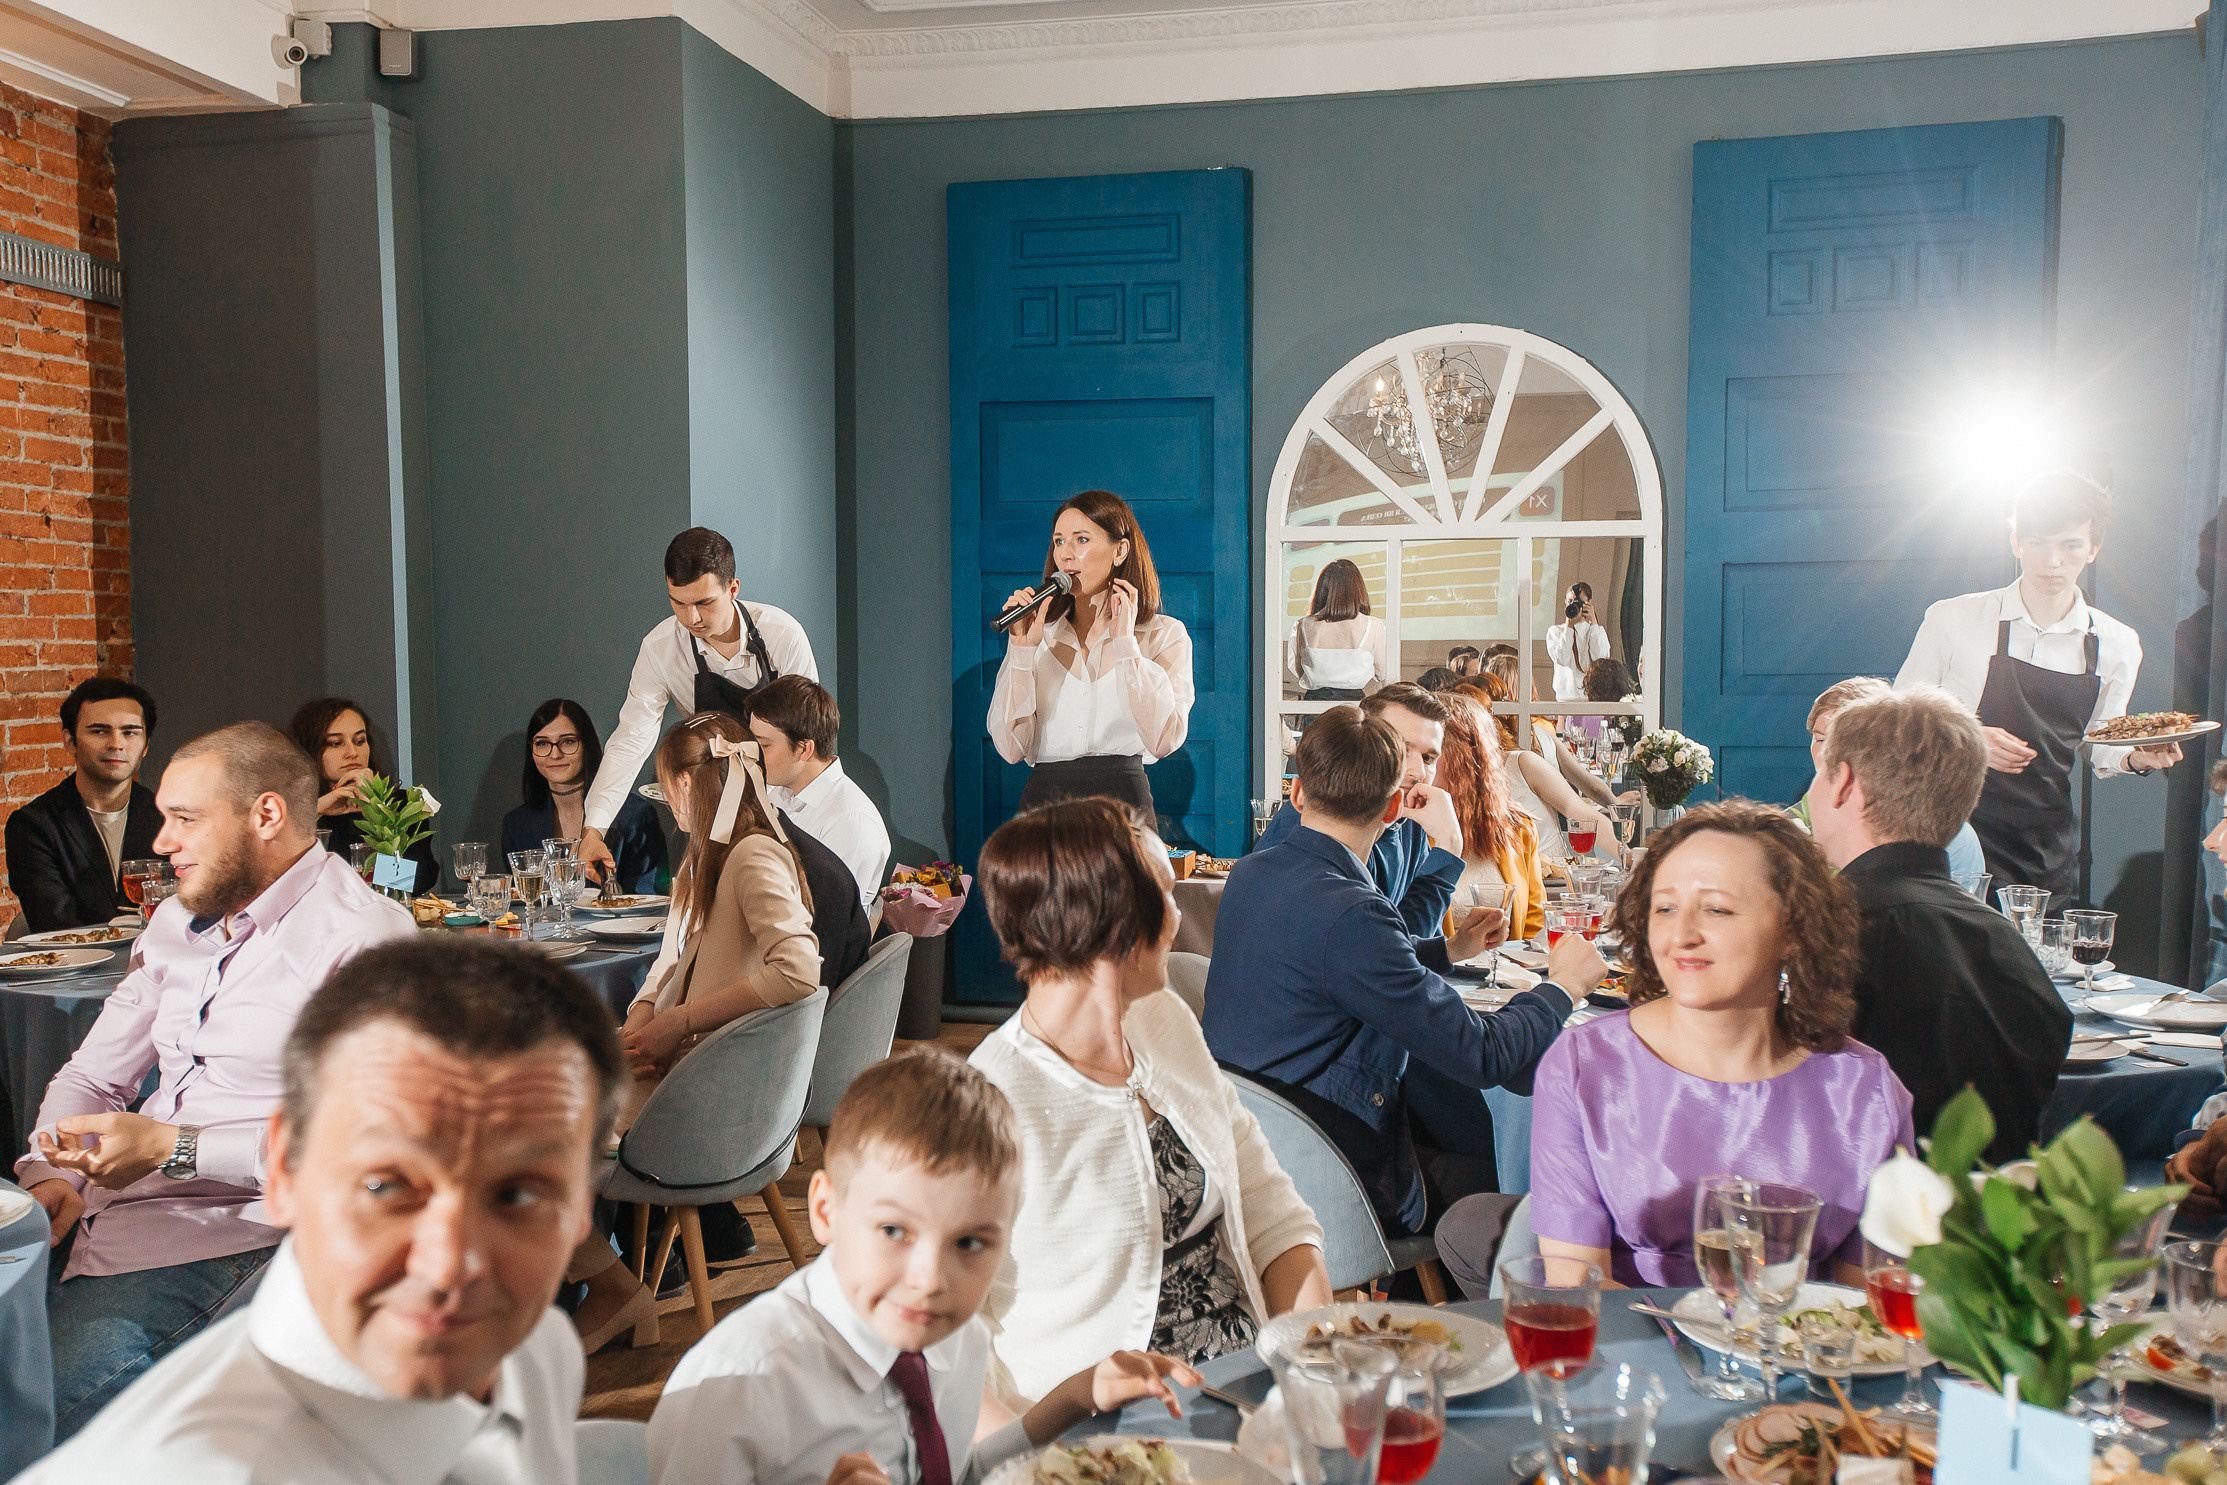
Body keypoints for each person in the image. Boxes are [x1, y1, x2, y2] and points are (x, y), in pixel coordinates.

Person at [17, 938, 620, 1479]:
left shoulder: (539, 1356)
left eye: (518, 1194)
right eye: (385, 1187)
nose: (448, 1266)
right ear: (282, 1169)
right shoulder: (195, 1468)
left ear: (579, 1212)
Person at [14, 722, 416, 1437]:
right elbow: (93, 1075)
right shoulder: (175, 919)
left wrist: (173, 1146)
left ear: (266, 815)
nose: (162, 841)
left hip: (237, 1237)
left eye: (184, 820)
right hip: (107, 1219)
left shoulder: (363, 936)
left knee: (28, 1428)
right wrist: (52, 1175)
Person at [648, 1049, 1204, 1485]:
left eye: (969, 1243)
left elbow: (956, 1474)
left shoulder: (952, 1343)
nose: (931, 1278)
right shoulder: (737, 1388)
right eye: (894, 1231)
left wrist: (1076, 1398)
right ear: (826, 1210)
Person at [970, 799, 1332, 1411]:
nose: (1176, 917)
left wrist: (1318, 1364)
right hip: (1103, 1432)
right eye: (1167, 894)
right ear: (1113, 925)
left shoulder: (1166, 1023)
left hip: (1252, 1384)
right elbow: (949, 1338)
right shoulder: (988, 1105)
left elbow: (1271, 1206)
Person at [1203, 706, 1594, 1236]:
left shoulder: (1250, 874)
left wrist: (1448, 949)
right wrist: (1561, 988)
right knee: (1534, 1197)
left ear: (1295, 794)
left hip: (1250, 1152)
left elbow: (1340, 966)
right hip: (1333, 1178)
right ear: (1393, 808)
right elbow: (1482, 1055)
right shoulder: (1352, 910)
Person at [1519, 801, 1913, 1288]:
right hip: (1635, 1351)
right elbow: (1576, 1283)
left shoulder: (1865, 1091)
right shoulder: (1585, 1067)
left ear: (1793, 929)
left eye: (1717, 910)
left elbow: (1868, 1304)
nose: (1681, 935)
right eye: (1664, 908)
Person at [567, 714, 823, 1348]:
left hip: (708, 1103)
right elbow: (668, 964)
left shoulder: (752, 856)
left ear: (686, 784)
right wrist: (641, 1023)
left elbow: (799, 969)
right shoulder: (708, 859)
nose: (667, 805)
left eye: (665, 789)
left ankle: (603, 1288)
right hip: (686, 1076)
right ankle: (612, 1281)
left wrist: (678, 1023)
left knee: (527, 1133)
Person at [1805, 688, 2071, 1162]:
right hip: (1991, 1224)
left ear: (1843, 782)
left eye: (1819, 773)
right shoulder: (2008, 942)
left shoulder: (1827, 930)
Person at [1896, 471, 2183, 899]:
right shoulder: (1955, 619)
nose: (2052, 562)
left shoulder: (2116, 643)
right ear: (2016, 542)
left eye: (2069, 546)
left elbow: (2099, 744)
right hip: (1949, 832)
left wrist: (2139, 757)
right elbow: (1893, 722)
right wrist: (1966, 738)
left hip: (2044, 846)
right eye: (2037, 543)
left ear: (2093, 549)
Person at [578, 526, 819, 884]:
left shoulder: (781, 634)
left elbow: (807, 738)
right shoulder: (661, 648)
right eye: (678, 602)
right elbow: (631, 739)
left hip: (789, 806)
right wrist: (593, 829)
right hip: (714, 807)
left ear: (733, 588)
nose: (691, 618)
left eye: (703, 603)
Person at [990, 489, 1194, 817]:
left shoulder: (1163, 635)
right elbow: (1013, 750)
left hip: (1123, 809)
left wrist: (1126, 646)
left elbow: (1163, 740)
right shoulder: (1037, 637)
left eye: (1081, 540)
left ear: (1120, 550)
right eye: (1059, 541)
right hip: (1045, 809)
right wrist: (1021, 651)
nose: (1066, 554)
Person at [1256, 683, 1466, 941]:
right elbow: (1388, 957)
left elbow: (1410, 946)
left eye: (1428, 758)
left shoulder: (1412, 821)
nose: (1418, 772)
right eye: (1400, 749)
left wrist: (1456, 947)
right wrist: (1448, 850)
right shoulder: (1315, 823)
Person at [1789, 678, 1985, 884]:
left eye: (1844, 742)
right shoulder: (1785, 829)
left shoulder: (1951, 836)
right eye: (1820, 739)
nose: (1827, 754)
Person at [5, 676, 161, 933]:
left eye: (129, 732)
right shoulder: (33, 825)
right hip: (82, 970)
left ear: (145, 746)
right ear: (69, 741)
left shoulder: (168, 818)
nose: (116, 744)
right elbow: (57, 926)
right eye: (99, 731)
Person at [750, 675, 892, 914]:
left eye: (764, 745)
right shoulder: (774, 793)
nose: (754, 753)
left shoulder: (850, 823)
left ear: (805, 749)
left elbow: (824, 918)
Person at [502, 697, 667, 893]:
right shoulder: (516, 824)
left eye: (568, 741)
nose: (555, 754)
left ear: (587, 744)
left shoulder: (635, 815)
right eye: (542, 743)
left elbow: (650, 899)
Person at [286, 696, 439, 894]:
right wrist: (315, 810)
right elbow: (278, 879)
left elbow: (417, 882)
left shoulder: (401, 804)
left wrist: (376, 809)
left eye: (359, 741)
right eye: (335, 743)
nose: (352, 752)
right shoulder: (290, 812)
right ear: (309, 750)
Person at [1468, 675, 1618, 873]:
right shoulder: (1457, 775)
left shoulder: (1523, 761)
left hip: (1550, 875)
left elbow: (1579, 810)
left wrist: (1624, 853)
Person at [1438, 693, 1547, 941]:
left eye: (1430, 755)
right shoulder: (1408, 831)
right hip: (1437, 974)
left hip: (1507, 974)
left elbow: (1534, 927)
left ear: (1467, 758)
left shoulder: (1518, 828)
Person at [1284, 557, 1388, 702]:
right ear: (1358, 589)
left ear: (1322, 589)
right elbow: (1381, 673)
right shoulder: (1374, 625)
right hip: (1353, 709)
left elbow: (1297, 669)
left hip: (1313, 705)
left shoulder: (1302, 625)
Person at [1545, 583, 1611, 701]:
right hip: (1564, 701)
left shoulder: (1597, 631)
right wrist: (1569, 627)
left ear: (1589, 603)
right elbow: (1562, 659)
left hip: (1590, 700)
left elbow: (1600, 660)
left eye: (1578, 602)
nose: (1573, 605)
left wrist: (1594, 623)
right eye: (1570, 601)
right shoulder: (1556, 632)